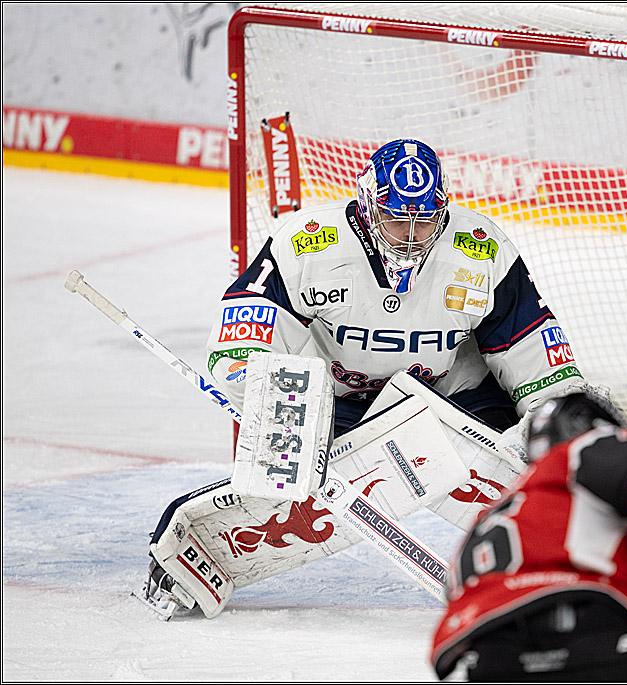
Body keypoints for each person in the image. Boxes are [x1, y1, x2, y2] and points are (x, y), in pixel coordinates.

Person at [136, 138, 587, 617]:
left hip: (453, 398)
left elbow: (531, 347)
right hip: (340, 406)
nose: (411, 236)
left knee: (549, 468)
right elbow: (241, 339)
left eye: (425, 220)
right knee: (283, 484)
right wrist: (278, 402)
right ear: (369, 208)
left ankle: (586, 556)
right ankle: (188, 558)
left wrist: (550, 419)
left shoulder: (480, 247)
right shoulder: (309, 242)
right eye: (396, 219)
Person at [431, 392, 627, 682]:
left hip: (486, 656)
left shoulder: (494, 514)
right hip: (584, 631)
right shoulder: (576, 456)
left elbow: (456, 591)